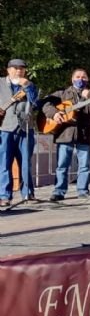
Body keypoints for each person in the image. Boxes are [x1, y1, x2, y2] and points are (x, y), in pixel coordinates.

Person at [43, 69, 90, 201]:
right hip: (65, 134)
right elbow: (45, 104)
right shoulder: (62, 94)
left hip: (84, 134)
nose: (80, 79)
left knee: (84, 165)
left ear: (87, 80)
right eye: (78, 77)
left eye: (84, 77)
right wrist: (54, 113)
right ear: (72, 79)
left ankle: (83, 191)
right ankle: (59, 191)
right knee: (62, 165)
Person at [0, 59, 39, 207]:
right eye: (15, 68)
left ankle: (28, 193)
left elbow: (35, 103)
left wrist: (28, 87)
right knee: (4, 163)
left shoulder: (29, 85)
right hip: (4, 129)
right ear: (8, 70)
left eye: (22, 68)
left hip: (25, 128)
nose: (19, 71)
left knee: (25, 163)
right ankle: (4, 196)